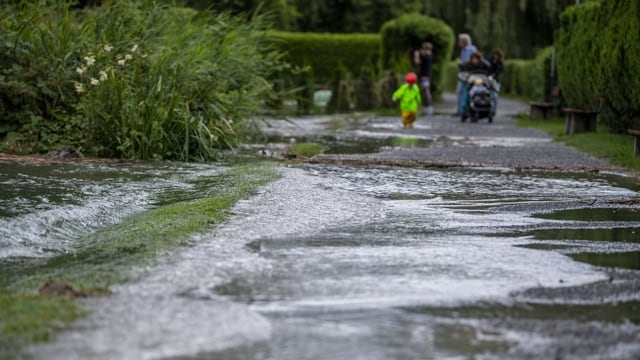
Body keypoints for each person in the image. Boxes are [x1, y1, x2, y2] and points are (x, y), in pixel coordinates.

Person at [455, 34, 477, 116]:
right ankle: (460, 110)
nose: (459, 43)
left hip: (470, 73)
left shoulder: (472, 49)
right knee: (460, 91)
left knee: (467, 91)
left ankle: (466, 110)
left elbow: (474, 61)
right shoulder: (462, 51)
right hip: (463, 73)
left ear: (464, 41)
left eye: (460, 41)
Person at [414, 42, 434, 115]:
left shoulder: (426, 56)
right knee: (426, 90)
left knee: (426, 91)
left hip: (425, 76)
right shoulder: (430, 55)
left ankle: (428, 107)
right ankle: (427, 107)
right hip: (427, 76)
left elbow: (417, 62)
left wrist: (416, 55)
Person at [488, 48, 504, 116]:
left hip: (495, 80)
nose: (495, 56)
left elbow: (499, 70)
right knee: (489, 95)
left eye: (497, 55)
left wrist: (494, 75)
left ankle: (494, 110)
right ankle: (489, 109)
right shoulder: (490, 61)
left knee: (495, 95)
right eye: (495, 55)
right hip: (488, 79)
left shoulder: (500, 63)